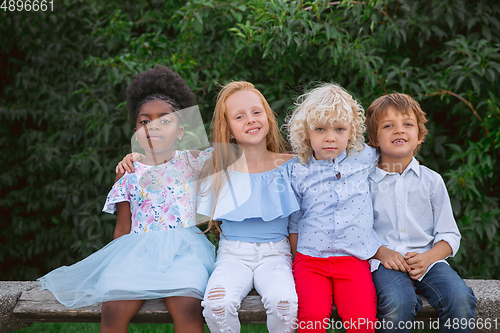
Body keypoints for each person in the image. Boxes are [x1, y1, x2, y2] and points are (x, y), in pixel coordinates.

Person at [38, 65, 216, 333]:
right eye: (144, 121)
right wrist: (117, 264)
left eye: (165, 120)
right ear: (135, 130)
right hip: (138, 253)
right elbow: (123, 227)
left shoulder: (193, 163)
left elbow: (228, 149)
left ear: (180, 131)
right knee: (114, 307)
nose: (153, 127)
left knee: (187, 305)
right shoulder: (129, 174)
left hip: (184, 252)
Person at [365, 92, 476, 332]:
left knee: (460, 299)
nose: (399, 130)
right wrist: (381, 252)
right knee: (398, 303)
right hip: (385, 264)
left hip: (429, 261)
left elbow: (450, 236)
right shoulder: (365, 183)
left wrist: (428, 258)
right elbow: (356, 231)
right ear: (373, 138)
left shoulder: (432, 181)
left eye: (407, 124)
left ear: (419, 137)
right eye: (388, 126)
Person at [196, 81, 299, 333]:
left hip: (276, 255)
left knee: (284, 303)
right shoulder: (217, 167)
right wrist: (136, 157)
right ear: (228, 129)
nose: (250, 120)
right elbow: (168, 158)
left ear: (267, 116)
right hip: (233, 256)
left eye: (256, 112)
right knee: (216, 305)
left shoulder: (292, 165)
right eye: (239, 116)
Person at [287, 83, 381, 333]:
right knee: (312, 320)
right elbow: (294, 220)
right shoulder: (298, 169)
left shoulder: (365, 157)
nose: (330, 137)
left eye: (339, 129)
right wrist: (297, 259)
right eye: (320, 129)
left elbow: (396, 151)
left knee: (362, 322)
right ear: (306, 132)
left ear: (351, 131)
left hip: (353, 259)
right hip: (310, 260)